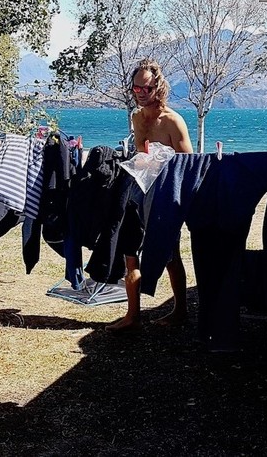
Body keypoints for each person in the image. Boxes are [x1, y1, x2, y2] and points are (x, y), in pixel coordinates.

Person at [107, 58, 193, 332]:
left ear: (159, 86)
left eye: (146, 88)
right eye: (136, 89)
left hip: (165, 195)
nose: (141, 93)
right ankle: (133, 316)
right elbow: (141, 152)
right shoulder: (136, 117)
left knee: (169, 255)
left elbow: (188, 164)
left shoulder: (173, 121)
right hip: (138, 188)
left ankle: (180, 311)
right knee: (130, 253)